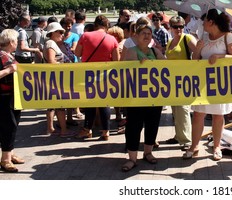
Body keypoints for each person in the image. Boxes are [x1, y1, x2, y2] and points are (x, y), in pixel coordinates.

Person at [183, 9, 232, 161]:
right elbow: (195, 59)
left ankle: (217, 147)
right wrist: (199, 48)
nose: (202, 24)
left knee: (218, 116)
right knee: (198, 114)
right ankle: (194, 146)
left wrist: (220, 56)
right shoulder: (204, 37)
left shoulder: (228, 37)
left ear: (211, 22)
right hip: (203, 82)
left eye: (204, 21)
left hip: (221, 82)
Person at [121, 24, 166, 172]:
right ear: (136, 36)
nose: (147, 36)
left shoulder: (155, 50)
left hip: (154, 96)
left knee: (152, 124)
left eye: (149, 34)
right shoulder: (131, 51)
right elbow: (129, 67)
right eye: (143, 34)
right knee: (134, 127)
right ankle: (132, 158)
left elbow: (167, 65)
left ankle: (148, 152)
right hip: (136, 97)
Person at [75, 15, 120, 141]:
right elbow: (116, 60)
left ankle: (87, 129)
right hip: (105, 75)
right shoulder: (112, 39)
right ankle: (106, 131)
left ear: (95, 24)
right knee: (104, 103)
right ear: (107, 26)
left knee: (89, 102)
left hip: (88, 73)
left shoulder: (85, 36)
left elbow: (77, 53)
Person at [164, 15, 197, 151]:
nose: (179, 29)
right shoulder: (170, 41)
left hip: (185, 79)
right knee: (175, 110)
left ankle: (186, 140)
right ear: (170, 28)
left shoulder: (188, 38)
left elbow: (198, 54)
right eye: (176, 26)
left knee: (183, 109)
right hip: (172, 80)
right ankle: (178, 136)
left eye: (181, 26)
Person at [43, 22, 76, 138]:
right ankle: (63, 130)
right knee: (60, 105)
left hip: (55, 78)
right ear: (52, 33)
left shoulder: (51, 43)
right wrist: (64, 65)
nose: (62, 34)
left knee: (53, 105)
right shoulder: (51, 43)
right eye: (60, 32)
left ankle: (51, 128)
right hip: (56, 79)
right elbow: (51, 61)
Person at [0, 29, 24, 173]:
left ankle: (9, 153)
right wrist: (9, 70)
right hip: (4, 96)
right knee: (8, 127)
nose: (17, 44)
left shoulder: (8, 55)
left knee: (12, 126)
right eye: (16, 41)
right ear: (10, 42)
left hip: (12, 95)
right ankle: (5, 160)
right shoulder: (1, 56)